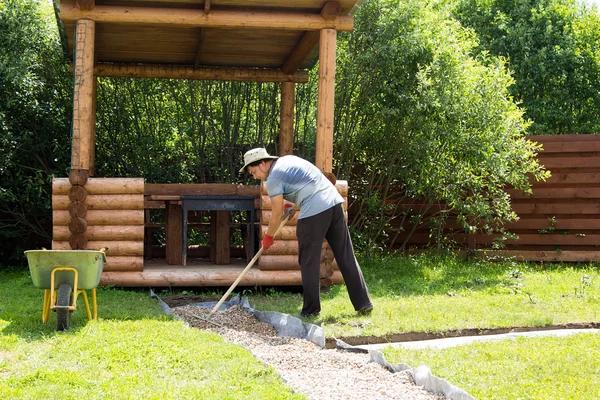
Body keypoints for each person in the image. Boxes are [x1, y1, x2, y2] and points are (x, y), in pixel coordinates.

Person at [240, 147, 373, 317]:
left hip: (314, 211)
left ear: (264, 164)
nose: (255, 176)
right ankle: (364, 303)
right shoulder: (289, 160)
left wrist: (268, 237)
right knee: (345, 255)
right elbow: (308, 182)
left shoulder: (273, 179)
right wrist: (292, 204)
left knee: (308, 260)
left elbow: (276, 215)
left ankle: (310, 311)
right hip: (334, 203)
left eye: (253, 171)